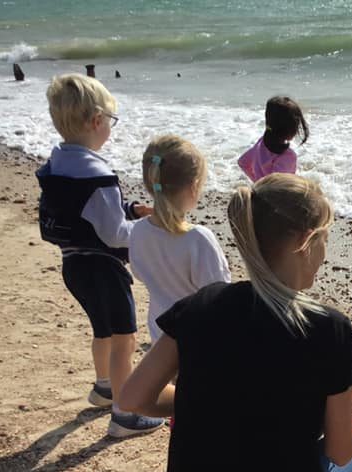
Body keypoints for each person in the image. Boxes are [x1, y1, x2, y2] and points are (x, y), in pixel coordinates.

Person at [120, 173, 352, 472]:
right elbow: (340, 451)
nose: (326, 253)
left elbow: (132, 399)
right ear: (304, 240)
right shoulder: (328, 329)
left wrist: (211, 403)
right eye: (325, 239)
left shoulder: (202, 305)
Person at [36, 73, 164, 438]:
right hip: (105, 267)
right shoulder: (99, 174)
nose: (111, 128)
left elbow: (90, 212)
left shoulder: (58, 164)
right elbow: (113, 233)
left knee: (103, 330)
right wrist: (144, 230)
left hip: (73, 264)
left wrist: (129, 208)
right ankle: (125, 415)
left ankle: (104, 387)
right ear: (96, 121)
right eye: (111, 120)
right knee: (124, 338)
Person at [129, 135, 231, 343]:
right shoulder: (198, 238)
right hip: (197, 334)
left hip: (160, 330)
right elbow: (217, 292)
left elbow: (139, 272)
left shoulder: (138, 230)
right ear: (194, 187)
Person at [238, 96, 309, 181]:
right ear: (290, 129)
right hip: (277, 194)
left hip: (261, 191)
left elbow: (242, 162)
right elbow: (277, 185)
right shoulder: (287, 156)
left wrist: (257, 182)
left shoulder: (261, 143)